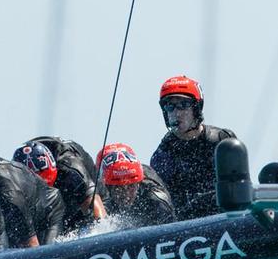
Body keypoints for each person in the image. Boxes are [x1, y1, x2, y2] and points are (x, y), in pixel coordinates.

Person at [150, 75, 237, 220]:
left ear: (196, 108)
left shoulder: (222, 141)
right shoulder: (162, 155)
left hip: (226, 220)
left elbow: (239, 190)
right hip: (189, 228)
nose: (176, 113)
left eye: (183, 105)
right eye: (170, 107)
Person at [13, 137, 107, 232]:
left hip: (82, 193)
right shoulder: (15, 182)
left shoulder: (71, 170)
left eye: (47, 185)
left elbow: (101, 221)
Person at [96, 142, 176, 228]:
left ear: (138, 184)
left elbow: (171, 228)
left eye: (131, 186)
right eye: (118, 188)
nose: (126, 194)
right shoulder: (98, 193)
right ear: (107, 187)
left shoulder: (154, 196)